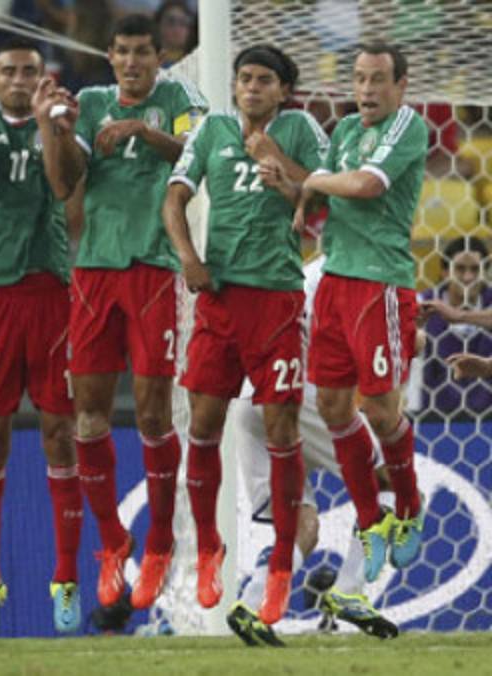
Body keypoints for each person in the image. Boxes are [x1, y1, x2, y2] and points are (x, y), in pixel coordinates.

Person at [31, 13, 205, 612]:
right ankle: (112, 544)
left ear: (161, 56)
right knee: (88, 415)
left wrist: (141, 131)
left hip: (154, 269)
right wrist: (56, 132)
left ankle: (159, 542)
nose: (132, 62)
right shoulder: (92, 100)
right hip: (95, 270)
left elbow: (195, 152)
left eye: (142, 53)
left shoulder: (181, 97)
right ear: (109, 55)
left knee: (155, 413)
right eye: (123, 52)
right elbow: (64, 184)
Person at [163, 45, 328, 623]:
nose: (252, 88)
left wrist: (278, 161)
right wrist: (187, 256)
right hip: (219, 298)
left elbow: (320, 199)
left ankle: (282, 566)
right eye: (244, 79)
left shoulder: (301, 129)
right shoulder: (210, 132)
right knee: (204, 426)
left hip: (278, 300)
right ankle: (208, 546)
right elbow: (174, 197)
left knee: (281, 425)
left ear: (284, 90)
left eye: (263, 80)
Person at [0, 39, 79, 637]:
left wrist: (54, 125)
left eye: (30, 71)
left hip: (51, 287)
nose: (21, 79)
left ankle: (66, 579)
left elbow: (61, 186)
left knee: (59, 431)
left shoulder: (61, 119)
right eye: (9, 72)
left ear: (42, 76)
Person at [294, 42, 428, 583]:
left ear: (400, 86)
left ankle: (410, 507)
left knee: (378, 408)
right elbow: (319, 195)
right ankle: (371, 520)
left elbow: (366, 185)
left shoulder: (408, 126)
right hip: (333, 279)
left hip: (379, 284)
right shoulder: (346, 132)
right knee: (330, 405)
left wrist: (309, 180)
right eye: (359, 79)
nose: (367, 91)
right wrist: (296, 196)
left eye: (378, 80)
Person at [224, 256, 399, 646]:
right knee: (391, 480)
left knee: (303, 525)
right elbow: (357, 346)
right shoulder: (355, 271)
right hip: (298, 394)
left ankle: (250, 605)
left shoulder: (305, 272)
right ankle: (350, 588)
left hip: (252, 400)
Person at [414, 236, 492, 414]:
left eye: (475, 269)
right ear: (445, 272)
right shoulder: (424, 303)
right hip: (432, 418)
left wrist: (460, 316)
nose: (467, 277)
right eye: (460, 269)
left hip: (488, 419)